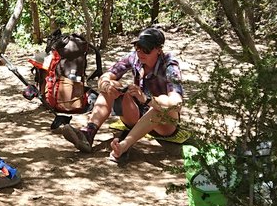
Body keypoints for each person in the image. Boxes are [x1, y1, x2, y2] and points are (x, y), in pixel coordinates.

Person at [57, 27, 183, 161]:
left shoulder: (169, 65)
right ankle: (88, 133)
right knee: (112, 85)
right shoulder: (134, 57)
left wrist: (147, 99)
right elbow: (105, 76)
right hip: (137, 115)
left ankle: (124, 145)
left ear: (159, 49)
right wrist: (106, 85)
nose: (140, 52)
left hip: (163, 123)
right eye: (138, 47)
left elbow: (176, 104)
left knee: (161, 102)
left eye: (146, 49)